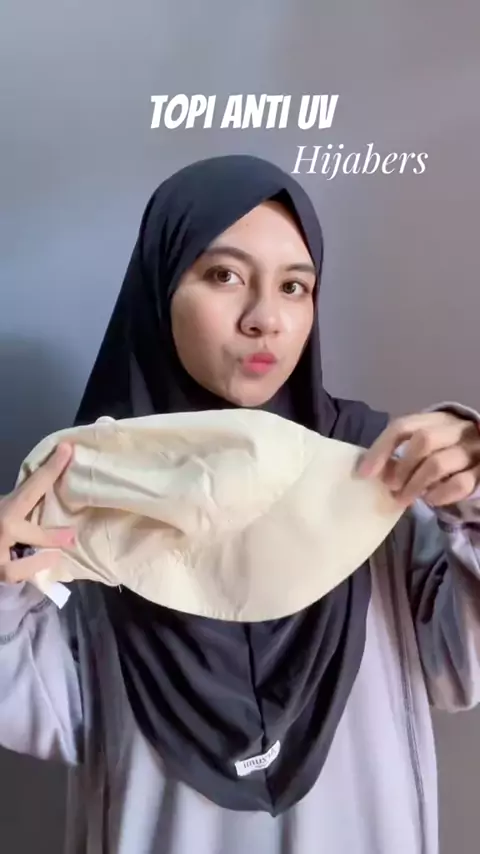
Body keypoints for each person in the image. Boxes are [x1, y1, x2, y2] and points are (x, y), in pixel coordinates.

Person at [1, 154, 480, 854]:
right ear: (162, 283)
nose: (266, 320)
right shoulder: (94, 485)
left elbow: (460, 668)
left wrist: (473, 499)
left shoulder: (380, 472)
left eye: (294, 286)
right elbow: (46, 713)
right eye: (224, 275)